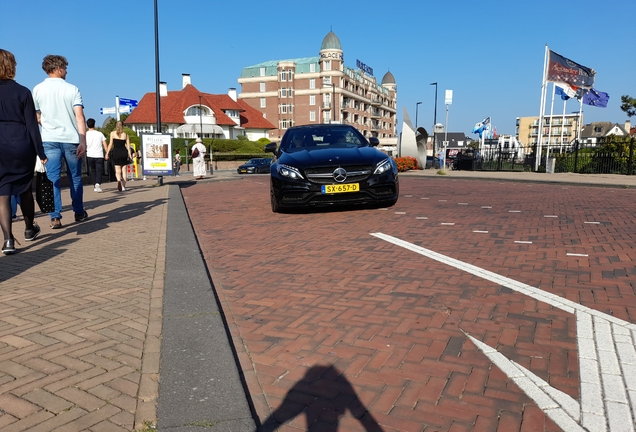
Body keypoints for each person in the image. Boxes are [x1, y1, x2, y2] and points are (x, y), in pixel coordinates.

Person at [0, 49, 48, 254]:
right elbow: (32, 126)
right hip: (21, 144)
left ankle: (8, 240)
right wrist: (41, 152)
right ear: (12, 67)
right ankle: (29, 228)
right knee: (25, 189)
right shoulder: (23, 92)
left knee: (2, 194)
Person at [32, 54, 87, 229]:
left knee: (52, 179)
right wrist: (83, 141)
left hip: (49, 139)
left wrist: (46, 122)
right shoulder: (72, 89)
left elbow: (36, 115)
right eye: (65, 68)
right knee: (75, 178)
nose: (66, 71)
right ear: (58, 68)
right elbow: (79, 116)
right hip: (70, 139)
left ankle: (55, 217)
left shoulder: (38, 89)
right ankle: (78, 212)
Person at [105, 120, 132, 191]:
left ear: (116, 126)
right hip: (123, 153)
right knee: (124, 171)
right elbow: (128, 147)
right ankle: (123, 186)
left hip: (116, 152)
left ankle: (118, 181)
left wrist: (107, 153)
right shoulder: (125, 135)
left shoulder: (112, 134)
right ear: (123, 126)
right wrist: (130, 156)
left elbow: (110, 144)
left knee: (117, 171)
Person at [85, 118, 107, 192]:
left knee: (92, 170)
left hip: (89, 154)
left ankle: (94, 185)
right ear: (94, 124)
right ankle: (98, 183)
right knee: (99, 170)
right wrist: (107, 153)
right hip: (99, 154)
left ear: (87, 125)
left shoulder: (85, 134)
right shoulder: (100, 134)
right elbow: (104, 144)